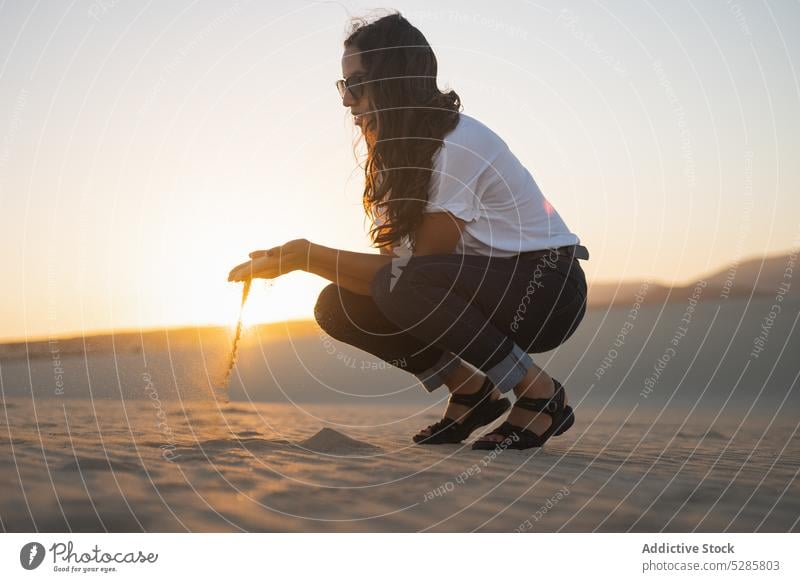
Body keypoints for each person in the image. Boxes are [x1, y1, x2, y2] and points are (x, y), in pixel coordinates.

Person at [228, 12, 589, 450]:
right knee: (339, 303)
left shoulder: (458, 143)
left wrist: (305, 256)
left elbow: (416, 270)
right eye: (343, 87)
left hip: (546, 289)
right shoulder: (391, 162)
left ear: (393, 81)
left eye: (357, 85)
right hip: (477, 289)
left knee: (403, 283)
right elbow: (389, 277)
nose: (347, 102)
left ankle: (539, 394)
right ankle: (471, 391)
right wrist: (302, 260)